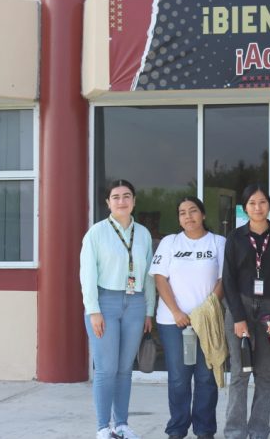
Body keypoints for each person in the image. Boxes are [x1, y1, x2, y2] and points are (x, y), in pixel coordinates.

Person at [80, 179, 155, 439]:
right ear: (108, 203)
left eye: (126, 196)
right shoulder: (96, 233)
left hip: (135, 304)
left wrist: (149, 311)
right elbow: (87, 275)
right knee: (105, 368)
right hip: (105, 302)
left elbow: (148, 276)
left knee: (124, 369)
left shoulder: (143, 234)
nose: (121, 201)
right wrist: (93, 310)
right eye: (115, 197)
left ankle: (122, 424)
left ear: (134, 200)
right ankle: (103, 427)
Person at [151, 197, 226, 439]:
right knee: (179, 379)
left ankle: (204, 430)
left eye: (193, 211)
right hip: (173, 322)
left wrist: (203, 312)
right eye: (182, 212)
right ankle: (177, 429)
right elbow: (160, 278)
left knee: (206, 377)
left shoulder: (218, 243)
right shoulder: (169, 242)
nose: (188, 216)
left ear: (203, 215)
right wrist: (176, 312)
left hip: (207, 322)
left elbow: (223, 280)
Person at [222, 184, 270, 439]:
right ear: (245, 207)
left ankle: (259, 430)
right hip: (240, 306)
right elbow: (228, 279)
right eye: (252, 203)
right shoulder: (235, 237)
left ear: (269, 206)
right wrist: (238, 318)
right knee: (240, 375)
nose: (258, 207)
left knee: (264, 375)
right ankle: (234, 432)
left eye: (262, 202)